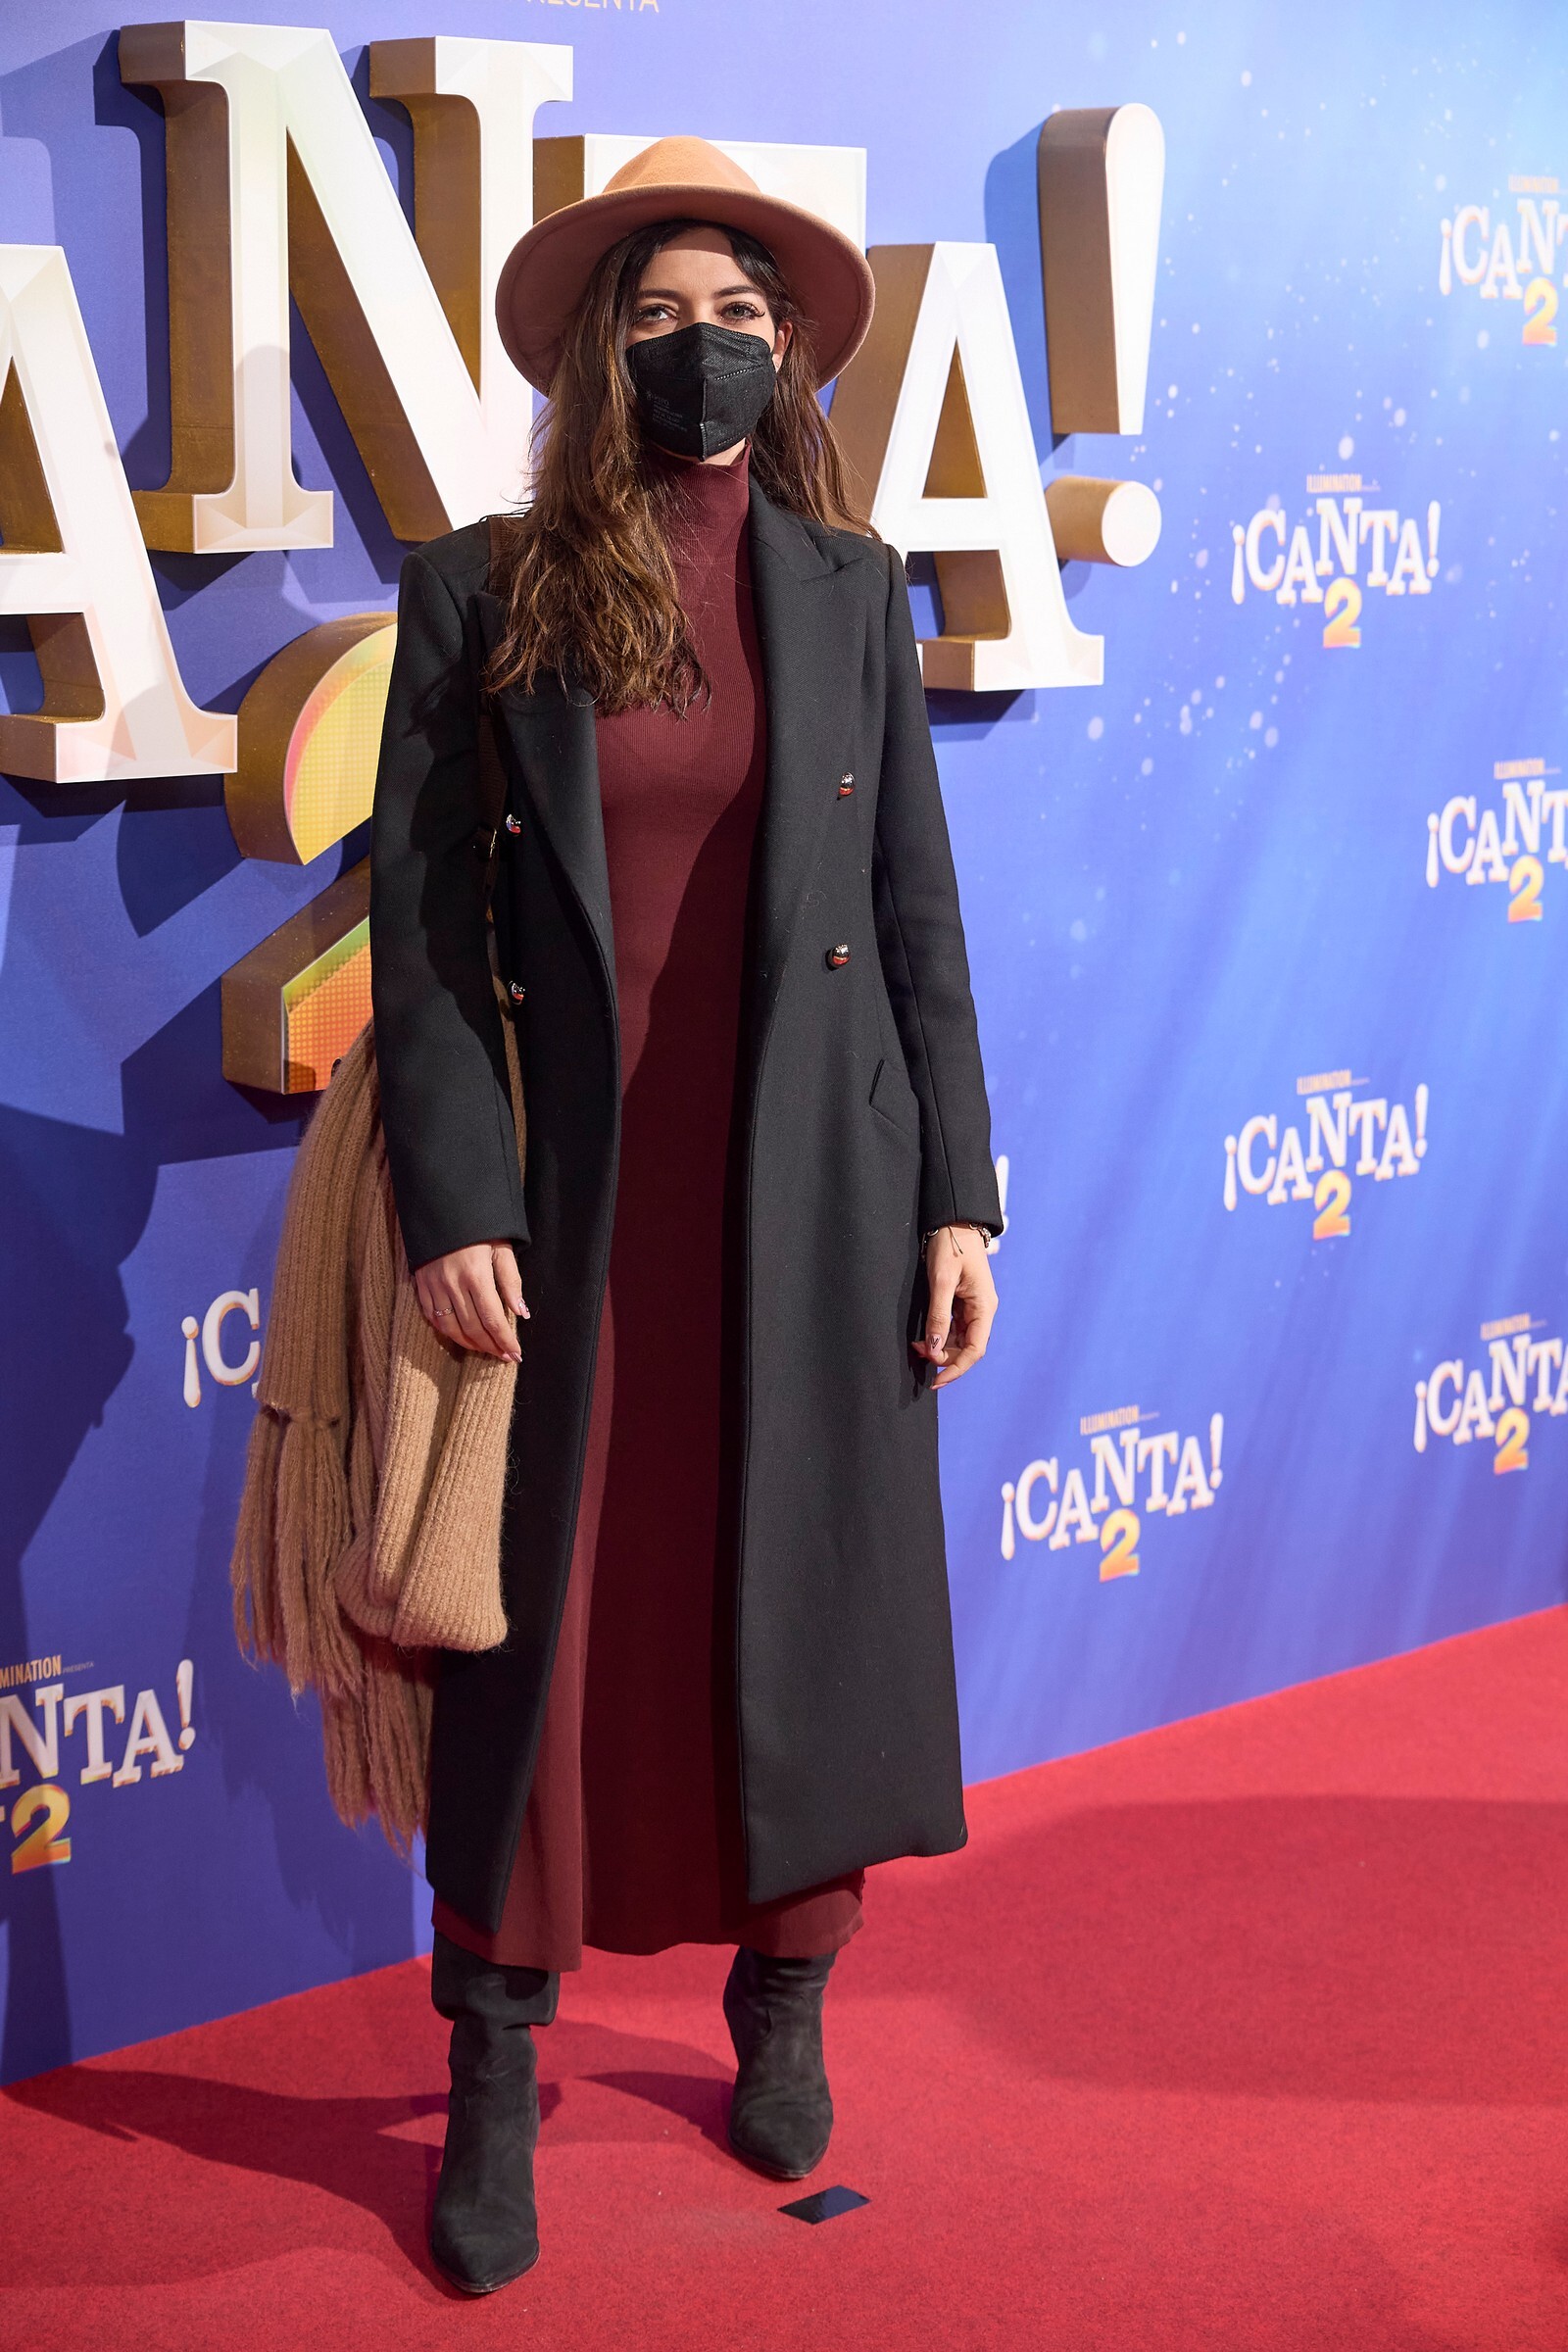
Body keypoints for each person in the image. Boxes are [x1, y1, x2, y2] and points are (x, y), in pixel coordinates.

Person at [368, 136, 1003, 2298]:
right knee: (541, 1637)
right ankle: (490, 2062)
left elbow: (916, 913)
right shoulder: (481, 589)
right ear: (590, 356)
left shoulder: (850, 585)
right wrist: (455, 1194)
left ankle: (785, 1994)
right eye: (657, 315)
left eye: (738, 315)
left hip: (814, 1188)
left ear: (789, 352)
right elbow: (424, 936)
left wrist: (956, 1193)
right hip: (570, 1202)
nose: (701, 347)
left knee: (799, 1594)